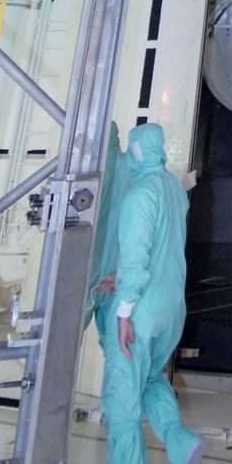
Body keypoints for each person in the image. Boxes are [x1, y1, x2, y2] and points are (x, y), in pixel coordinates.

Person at [102, 122, 205, 464]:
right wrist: (120, 277)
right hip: (171, 311)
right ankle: (179, 440)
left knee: (121, 405)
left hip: (141, 312)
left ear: (137, 152)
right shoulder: (175, 192)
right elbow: (161, 250)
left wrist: (124, 309)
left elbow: (136, 254)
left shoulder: (138, 196)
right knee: (149, 379)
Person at [86, 121, 130, 342]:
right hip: (115, 280)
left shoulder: (92, 174)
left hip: (95, 275)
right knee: (121, 349)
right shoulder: (134, 168)